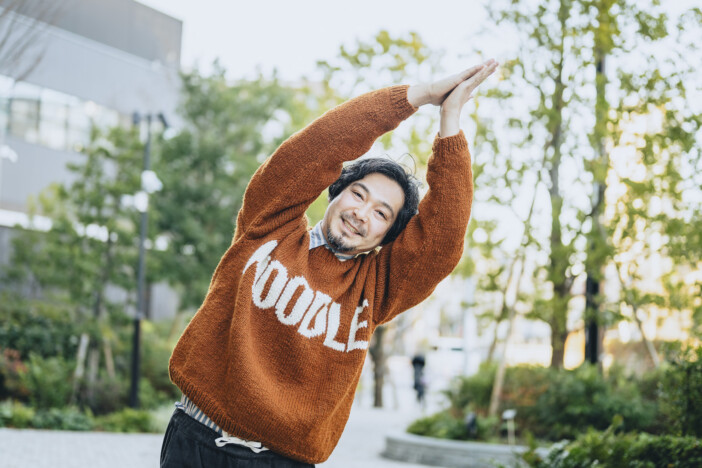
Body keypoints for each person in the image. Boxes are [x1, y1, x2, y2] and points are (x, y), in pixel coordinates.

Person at [160, 59, 499, 467]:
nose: (361, 213)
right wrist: (421, 95)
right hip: (194, 440)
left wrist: (450, 120)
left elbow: (442, 237)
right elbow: (319, 145)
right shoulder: (269, 225)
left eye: (381, 213)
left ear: (387, 236)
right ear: (335, 190)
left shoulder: (376, 288)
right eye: (358, 194)